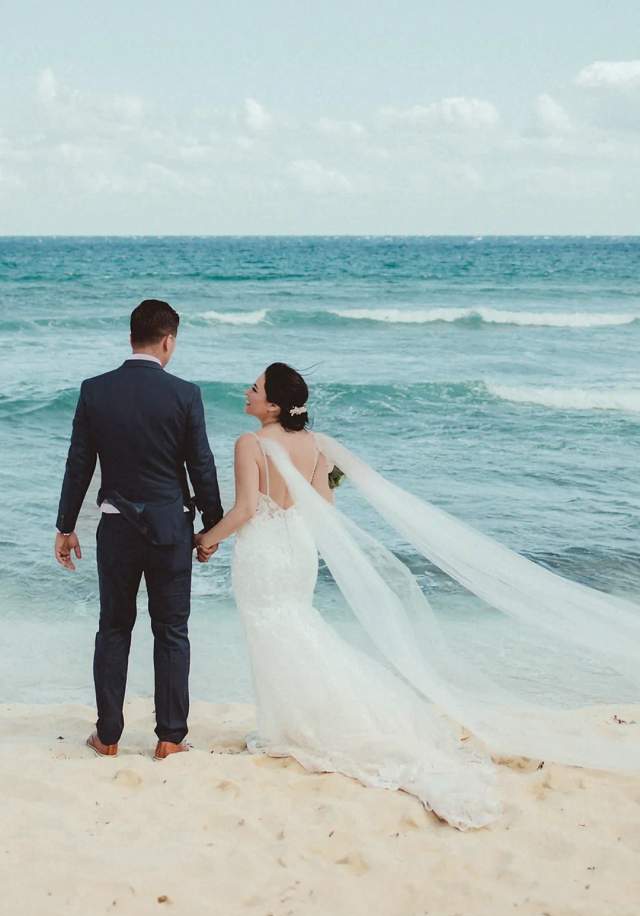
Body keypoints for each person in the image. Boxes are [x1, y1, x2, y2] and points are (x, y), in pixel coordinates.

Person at [195, 362, 640, 830]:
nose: (247, 391)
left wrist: (207, 540)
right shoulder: (316, 445)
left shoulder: (250, 443)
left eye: (256, 387)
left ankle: (287, 727)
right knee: (297, 627)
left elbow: (245, 509)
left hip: (265, 551)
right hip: (298, 549)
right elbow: (324, 507)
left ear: (274, 405)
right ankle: (290, 724)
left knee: (274, 632)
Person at [55, 299, 223, 760]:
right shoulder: (185, 394)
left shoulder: (95, 390)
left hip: (117, 530)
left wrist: (65, 526)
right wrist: (212, 527)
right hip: (170, 529)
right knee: (171, 631)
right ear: (168, 340)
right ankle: (169, 738)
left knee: (113, 628)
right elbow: (201, 465)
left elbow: (79, 465)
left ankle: (107, 736)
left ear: (132, 337)